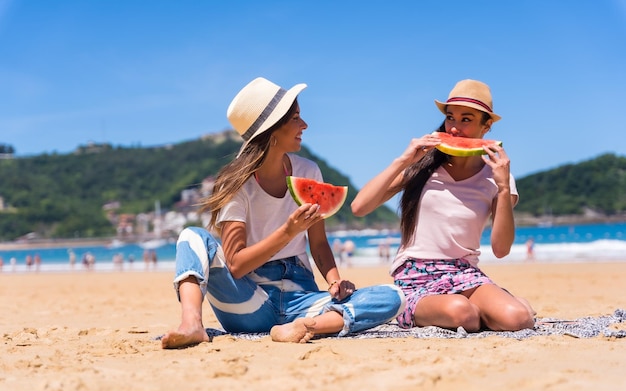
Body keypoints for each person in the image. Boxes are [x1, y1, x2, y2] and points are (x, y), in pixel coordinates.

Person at [162, 77, 405, 349]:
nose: (305, 125)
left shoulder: (308, 171)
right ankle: (192, 323)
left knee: (393, 296)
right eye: (296, 118)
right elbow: (236, 264)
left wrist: (335, 281)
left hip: (302, 301)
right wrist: (287, 233)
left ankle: (304, 327)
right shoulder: (236, 185)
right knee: (191, 237)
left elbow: (319, 243)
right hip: (249, 301)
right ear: (272, 130)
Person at [351, 79, 535, 333]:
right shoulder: (421, 167)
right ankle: (433, 308)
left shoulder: (498, 177)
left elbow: (501, 249)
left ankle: (502, 305)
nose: (455, 128)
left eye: (466, 119)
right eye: (451, 118)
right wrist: (403, 160)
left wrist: (503, 189)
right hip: (416, 274)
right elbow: (359, 207)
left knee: (518, 320)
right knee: (463, 313)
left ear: (487, 125)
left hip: (464, 272)